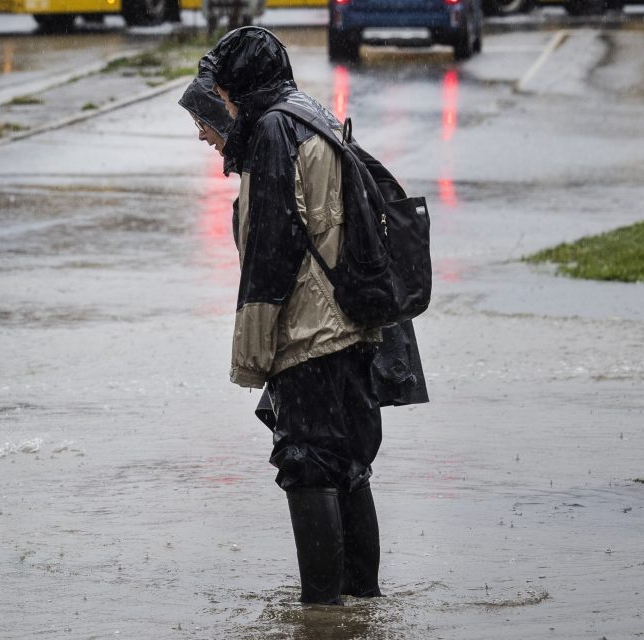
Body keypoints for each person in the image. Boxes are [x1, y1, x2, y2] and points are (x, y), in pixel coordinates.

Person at [197, 26, 392, 606]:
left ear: (241, 87)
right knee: (347, 464)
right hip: (351, 326)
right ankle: (361, 604)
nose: (219, 109)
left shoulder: (273, 132)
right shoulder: (308, 114)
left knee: (308, 466)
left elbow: (271, 251)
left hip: (310, 333)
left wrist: (253, 357)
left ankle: (323, 614)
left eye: (223, 94)